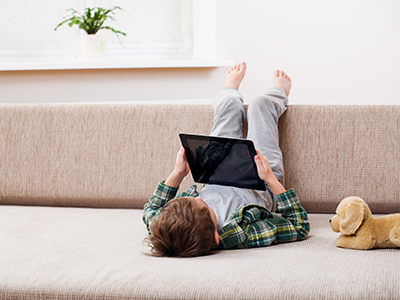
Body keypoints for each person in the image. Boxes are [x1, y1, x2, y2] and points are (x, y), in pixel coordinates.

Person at [142, 62, 310, 257]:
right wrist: (271, 178)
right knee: (260, 105)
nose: (198, 196)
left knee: (228, 106)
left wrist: (177, 174)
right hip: (260, 181)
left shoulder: (166, 229)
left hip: (218, 169)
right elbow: (299, 226)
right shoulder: (242, 234)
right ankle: (279, 92)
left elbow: (151, 210)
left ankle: (230, 90)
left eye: (193, 197)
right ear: (215, 237)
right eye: (203, 204)